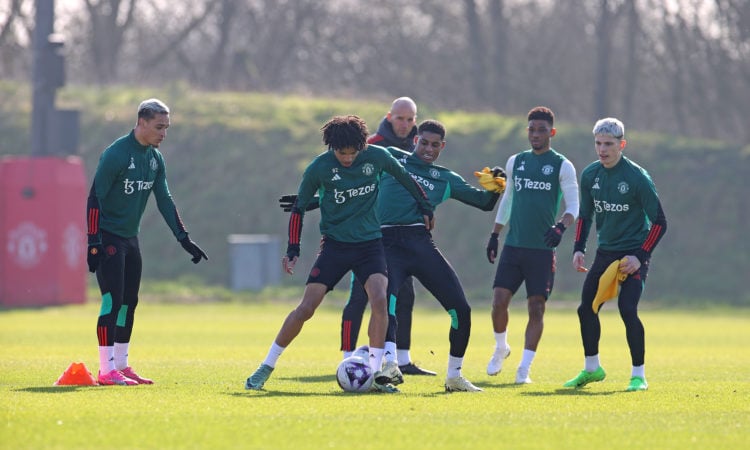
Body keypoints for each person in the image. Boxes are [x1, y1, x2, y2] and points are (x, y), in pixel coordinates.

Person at [245, 115, 434, 393]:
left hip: (370, 246)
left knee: (379, 301)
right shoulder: (319, 168)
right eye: (341, 153)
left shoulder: (377, 157)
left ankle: (376, 374)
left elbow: (406, 178)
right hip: (335, 247)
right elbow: (298, 209)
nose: (347, 158)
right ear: (331, 147)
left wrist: (425, 207)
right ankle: (266, 366)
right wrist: (293, 249)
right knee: (306, 308)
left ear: (361, 146)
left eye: (352, 152)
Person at [86, 98, 208, 386]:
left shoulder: (154, 159)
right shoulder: (116, 154)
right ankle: (105, 370)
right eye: (159, 127)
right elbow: (95, 197)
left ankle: (122, 365)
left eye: (167, 127)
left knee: (129, 302)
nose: (164, 133)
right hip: (108, 238)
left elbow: (164, 200)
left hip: (130, 238)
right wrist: (93, 241)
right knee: (111, 302)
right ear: (141, 122)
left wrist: (184, 238)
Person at [376, 119, 503, 391]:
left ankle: (454, 376)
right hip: (387, 244)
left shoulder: (445, 178)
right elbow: (352, 158)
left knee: (462, 311)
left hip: (420, 244)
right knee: (387, 306)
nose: (428, 149)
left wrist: (496, 188)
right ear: (414, 140)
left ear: (442, 146)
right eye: (424, 142)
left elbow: (482, 203)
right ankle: (388, 367)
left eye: (435, 145)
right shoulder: (390, 158)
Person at [563, 117, 667, 391]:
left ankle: (638, 376)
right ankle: (592, 369)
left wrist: (640, 256)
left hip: (633, 252)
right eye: (598, 143)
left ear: (621, 144)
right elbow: (585, 215)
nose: (602, 149)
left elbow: (659, 222)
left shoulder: (636, 177)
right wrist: (578, 249)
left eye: (609, 144)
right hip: (606, 252)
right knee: (587, 308)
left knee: (627, 309)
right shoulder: (590, 175)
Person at [339, 97, 437, 376]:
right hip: (368, 234)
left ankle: (402, 359)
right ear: (389, 116)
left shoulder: (417, 148)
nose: (405, 124)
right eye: (400, 118)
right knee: (359, 296)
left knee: (405, 295)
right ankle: (346, 358)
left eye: (410, 119)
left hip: (402, 235)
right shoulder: (371, 144)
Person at [485, 106, 579, 384]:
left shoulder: (562, 164)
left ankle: (524, 369)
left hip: (541, 250)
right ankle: (501, 347)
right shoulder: (517, 162)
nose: (535, 135)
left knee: (536, 308)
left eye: (541, 130)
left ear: (552, 132)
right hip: (514, 246)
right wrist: (495, 234)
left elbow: (574, 205)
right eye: (531, 129)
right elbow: (508, 199)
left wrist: (561, 227)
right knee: (499, 302)